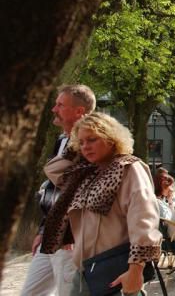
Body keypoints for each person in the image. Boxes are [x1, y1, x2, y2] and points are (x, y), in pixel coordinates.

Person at [42, 112, 161, 295]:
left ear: (111, 138)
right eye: (81, 142)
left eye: (92, 139)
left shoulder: (129, 168)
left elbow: (144, 219)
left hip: (115, 272)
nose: (85, 147)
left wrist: (135, 270)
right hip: (84, 271)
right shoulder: (86, 173)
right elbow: (52, 169)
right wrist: (76, 144)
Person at [21, 84, 95, 296]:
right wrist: (43, 229)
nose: (54, 109)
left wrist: (71, 233)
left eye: (60, 105)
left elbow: (85, 191)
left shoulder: (90, 144)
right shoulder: (61, 140)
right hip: (51, 235)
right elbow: (54, 191)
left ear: (79, 112)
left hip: (70, 240)